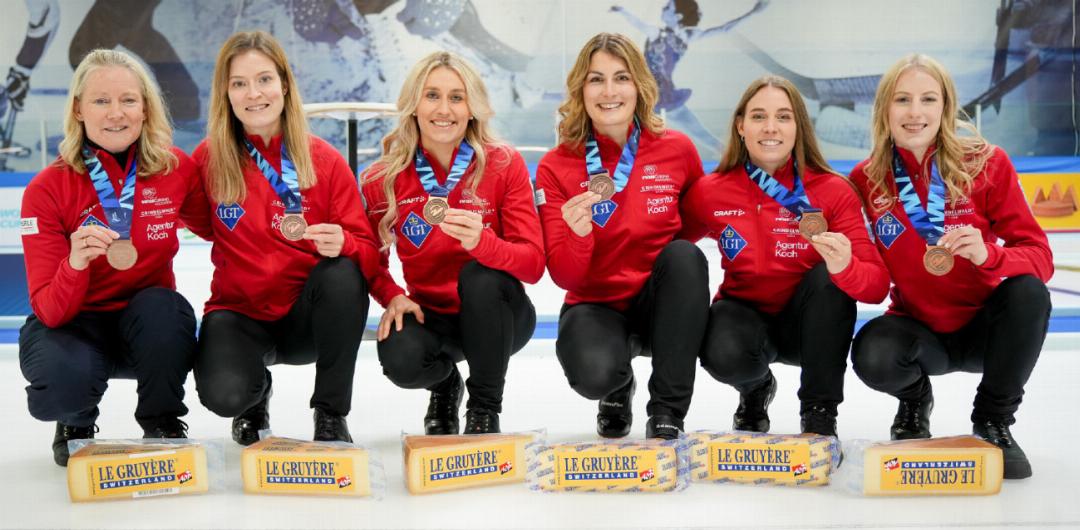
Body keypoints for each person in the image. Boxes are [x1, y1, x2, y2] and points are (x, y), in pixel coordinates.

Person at [849, 54, 1053, 479]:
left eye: (928, 99)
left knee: (1029, 292)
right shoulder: (866, 178)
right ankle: (914, 401)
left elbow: (1040, 257)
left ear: (946, 106)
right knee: (872, 351)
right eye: (902, 99)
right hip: (918, 332)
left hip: (985, 330)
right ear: (884, 109)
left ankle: (993, 421)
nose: (915, 112)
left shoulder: (987, 163)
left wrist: (989, 255)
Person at [18, 49, 206, 466]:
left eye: (128, 100)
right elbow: (49, 310)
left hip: (145, 324)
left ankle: (162, 421)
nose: (115, 113)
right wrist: (75, 262)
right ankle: (76, 419)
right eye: (101, 101)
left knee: (167, 308)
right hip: (72, 323)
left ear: (145, 109)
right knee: (60, 384)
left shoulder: (176, 169)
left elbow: (222, 228)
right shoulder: (47, 189)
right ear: (79, 109)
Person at [191, 31, 380, 445]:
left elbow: (366, 250)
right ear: (226, 93)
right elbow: (193, 220)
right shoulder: (207, 159)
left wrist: (344, 244)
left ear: (284, 85)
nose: (253, 93)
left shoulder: (324, 162)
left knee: (342, 275)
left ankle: (330, 414)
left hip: (304, 319)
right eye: (239, 83)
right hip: (238, 314)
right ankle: (253, 396)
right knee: (223, 394)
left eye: (264, 79)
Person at [679, 75, 889, 437]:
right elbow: (665, 250)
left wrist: (846, 267)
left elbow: (875, 287)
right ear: (741, 126)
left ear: (798, 127)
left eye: (783, 117)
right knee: (722, 346)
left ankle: (819, 411)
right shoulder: (709, 192)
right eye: (759, 116)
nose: (771, 127)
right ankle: (754, 388)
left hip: (810, 329)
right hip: (744, 322)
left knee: (830, 279)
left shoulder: (833, 191)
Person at [535, 33, 709, 440]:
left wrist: (666, 257)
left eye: (621, 78)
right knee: (593, 374)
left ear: (640, 87)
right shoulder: (556, 166)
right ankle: (616, 386)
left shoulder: (677, 150)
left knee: (684, 257)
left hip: (657, 303)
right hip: (595, 304)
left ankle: (667, 410)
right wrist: (578, 235)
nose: (609, 91)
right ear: (581, 89)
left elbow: (698, 218)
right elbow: (565, 276)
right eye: (596, 79)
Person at [361, 51, 542, 435]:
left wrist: (484, 243)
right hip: (433, 318)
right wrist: (392, 294)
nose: (444, 109)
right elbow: (370, 260)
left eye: (457, 97)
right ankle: (445, 386)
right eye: (432, 96)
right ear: (414, 104)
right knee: (399, 356)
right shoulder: (382, 178)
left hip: (501, 315)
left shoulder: (503, 164)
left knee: (481, 275)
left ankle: (484, 407)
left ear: (472, 108)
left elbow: (532, 264)